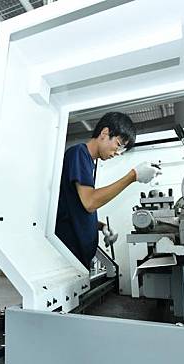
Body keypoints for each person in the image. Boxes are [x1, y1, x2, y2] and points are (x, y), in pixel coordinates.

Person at [55, 112, 161, 267]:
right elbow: (90, 202)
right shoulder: (78, 154)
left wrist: (101, 226)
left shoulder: (89, 162)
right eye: (118, 144)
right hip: (70, 256)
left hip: (79, 258)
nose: (118, 153)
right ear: (105, 133)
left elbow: (75, 208)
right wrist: (133, 176)